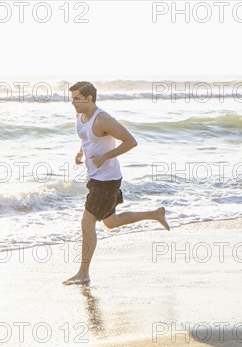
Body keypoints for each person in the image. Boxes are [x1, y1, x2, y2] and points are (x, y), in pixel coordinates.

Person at [63, 81, 170, 286]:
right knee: (111, 222)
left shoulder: (103, 119)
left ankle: (83, 273)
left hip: (106, 180)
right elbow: (86, 137)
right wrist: (81, 152)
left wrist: (105, 156)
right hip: (96, 177)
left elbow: (131, 141)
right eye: (72, 98)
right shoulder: (80, 115)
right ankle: (155, 214)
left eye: (76, 98)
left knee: (87, 221)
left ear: (89, 98)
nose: (72, 102)